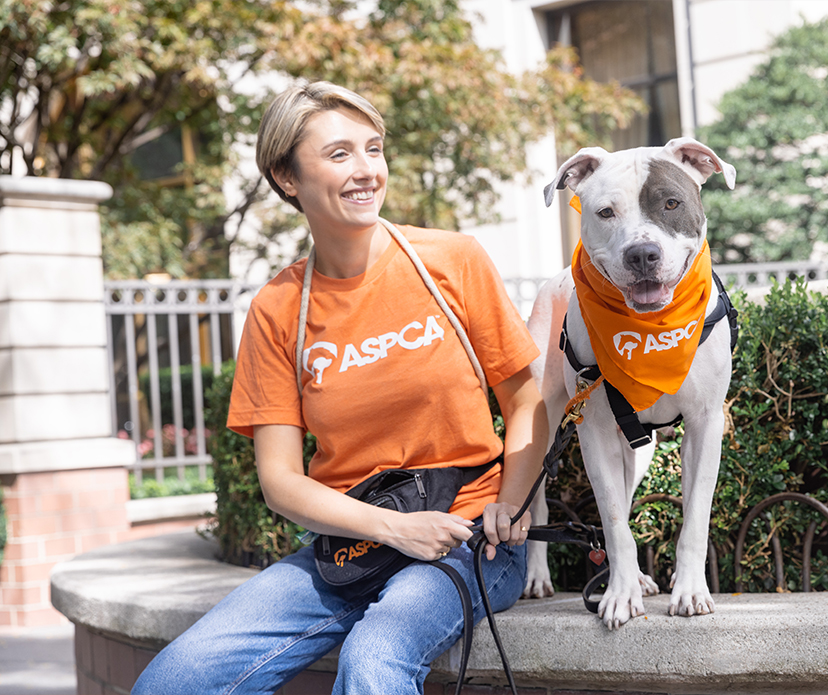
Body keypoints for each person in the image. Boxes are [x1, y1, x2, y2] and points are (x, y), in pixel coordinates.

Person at [132, 81, 547, 695]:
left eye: (373, 150)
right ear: (287, 176)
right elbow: (281, 481)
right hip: (350, 551)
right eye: (339, 154)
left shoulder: (452, 261)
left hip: (469, 539)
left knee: (375, 658)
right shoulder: (277, 308)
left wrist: (508, 505)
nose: (366, 171)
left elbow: (525, 401)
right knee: (173, 682)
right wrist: (391, 529)